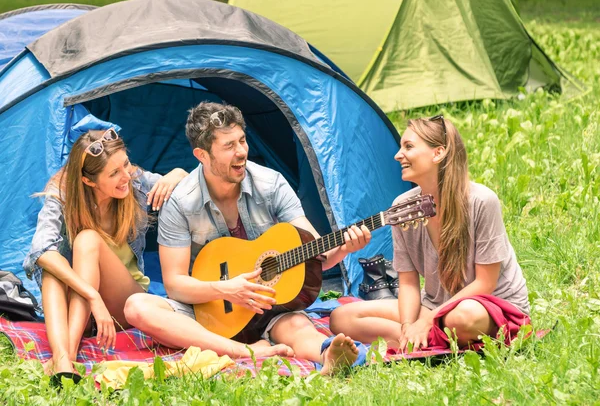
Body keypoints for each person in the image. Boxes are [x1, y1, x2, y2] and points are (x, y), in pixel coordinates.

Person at [124, 102, 371, 375]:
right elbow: (175, 285)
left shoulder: (271, 184)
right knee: (137, 307)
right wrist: (227, 290)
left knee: (298, 327)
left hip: (267, 307)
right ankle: (246, 351)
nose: (241, 152)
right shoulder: (181, 202)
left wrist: (343, 250)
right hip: (207, 310)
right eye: (229, 146)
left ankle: (329, 356)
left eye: (242, 140)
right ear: (202, 155)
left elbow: (315, 254)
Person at [329, 115, 530, 351]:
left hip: (489, 305)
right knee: (341, 318)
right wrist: (407, 324)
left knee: (462, 318)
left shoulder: (482, 201)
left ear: (438, 153)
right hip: (435, 304)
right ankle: (415, 339)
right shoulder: (401, 207)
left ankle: (428, 336)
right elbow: (409, 284)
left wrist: (427, 319)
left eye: (409, 147)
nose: (397, 155)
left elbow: (485, 283)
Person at [23, 128, 188, 381]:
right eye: (114, 173)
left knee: (87, 240)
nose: (126, 176)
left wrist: (177, 173)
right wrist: (91, 295)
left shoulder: (136, 183)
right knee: (51, 268)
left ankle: (66, 355)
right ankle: (63, 360)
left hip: (125, 302)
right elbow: (41, 251)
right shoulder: (63, 194)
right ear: (89, 181)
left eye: (126, 164)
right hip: (86, 308)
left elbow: (190, 186)